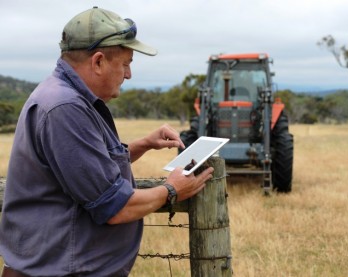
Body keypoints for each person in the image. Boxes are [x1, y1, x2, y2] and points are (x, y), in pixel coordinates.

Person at [0, 7, 213, 277]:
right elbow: (114, 207)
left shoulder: (64, 98)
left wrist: (144, 144)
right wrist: (171, 191)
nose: (129, 74)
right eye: (126, 63)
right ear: (98, 61)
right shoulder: (65, 108)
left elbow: (86, 167)